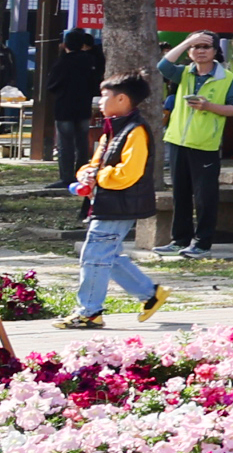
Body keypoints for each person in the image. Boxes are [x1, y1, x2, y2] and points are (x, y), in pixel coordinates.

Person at [59, 71, 172, 327]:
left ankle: (89, 311)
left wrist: (97, 177)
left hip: (119, 205)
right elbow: (96, 165)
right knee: (107, 255)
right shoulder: (112, 129)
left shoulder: (135, 131)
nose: (99, 100)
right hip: (107, 203)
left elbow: (128, 174)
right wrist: (86, 174)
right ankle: (151, 295)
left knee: (94, 255)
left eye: (104, 95)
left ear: (122, 99)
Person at [157, 30, 233, 259]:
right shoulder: (184, 73)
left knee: (205, 196)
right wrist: (186, 42)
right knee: (180, 193)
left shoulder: (228, 78)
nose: (200, 51)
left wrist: (209, 107)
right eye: (196, 47)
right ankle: (179, 240)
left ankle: (202, 243)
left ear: (216, 51)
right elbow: (163, 66)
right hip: (177, 141)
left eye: (206, 47)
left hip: (206, 144)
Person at [44, 25, 101, 181]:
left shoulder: (62, 62)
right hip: (83, 107)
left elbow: (52, 85)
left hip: (64, 108)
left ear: (66, 44)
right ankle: (81, 174)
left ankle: (66, 177)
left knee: (65, 144)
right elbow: (95, 83)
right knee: (82, 142)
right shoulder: (90, 61)